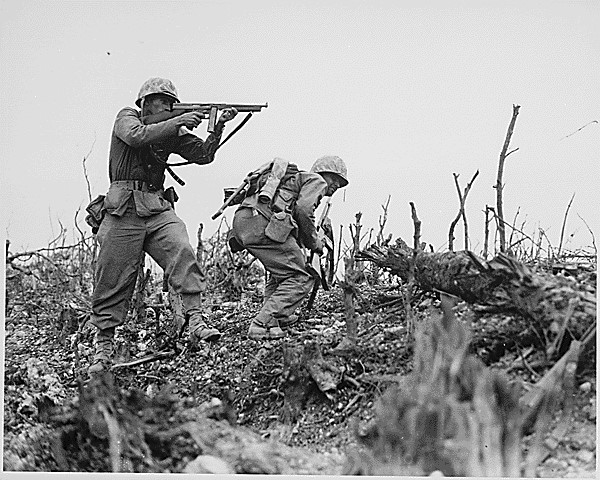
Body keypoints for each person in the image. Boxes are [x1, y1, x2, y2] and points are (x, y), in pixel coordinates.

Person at [87, 77, 237, 374]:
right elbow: (136, 136)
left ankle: (195, 319)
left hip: (155, 207)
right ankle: (103, 348)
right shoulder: (127, 117)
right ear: (145, 102)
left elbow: (203, 155)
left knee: (181, 248)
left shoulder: (170, 130)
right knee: (112, 275)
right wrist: (179, 120)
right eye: (161, 100)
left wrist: (218, 125)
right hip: (123, 210)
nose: (168, 105)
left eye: (171, 101)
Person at [231, 155, 348, 339]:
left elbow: (295, 217)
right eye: (335, 179)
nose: (335, 186)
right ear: (323, 173)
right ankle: (263, 323)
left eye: (340, 184)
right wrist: (315, 241)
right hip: (261, 222)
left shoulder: (294, 183)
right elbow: (303, 210)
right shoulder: (316, 180)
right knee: (302, 276)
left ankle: (276, 317)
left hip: (244, 221)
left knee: (283, 272)